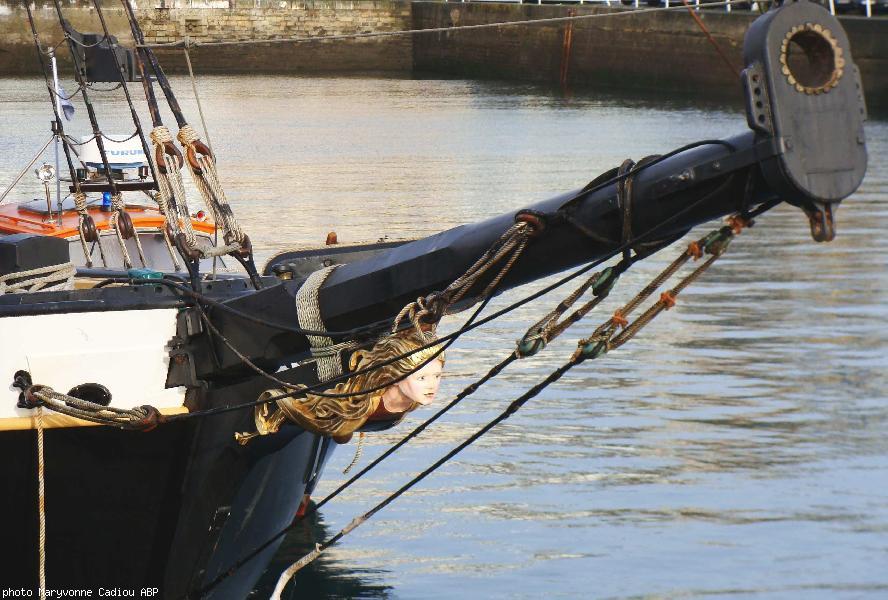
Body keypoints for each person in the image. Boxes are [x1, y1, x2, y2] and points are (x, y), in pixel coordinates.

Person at [237, 328, 445, 445]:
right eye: (422, 378)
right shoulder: (363, 402)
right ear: (395, 376)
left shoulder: (409, 402)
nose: (432, 385)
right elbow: (341, 431)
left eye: (437, 376)